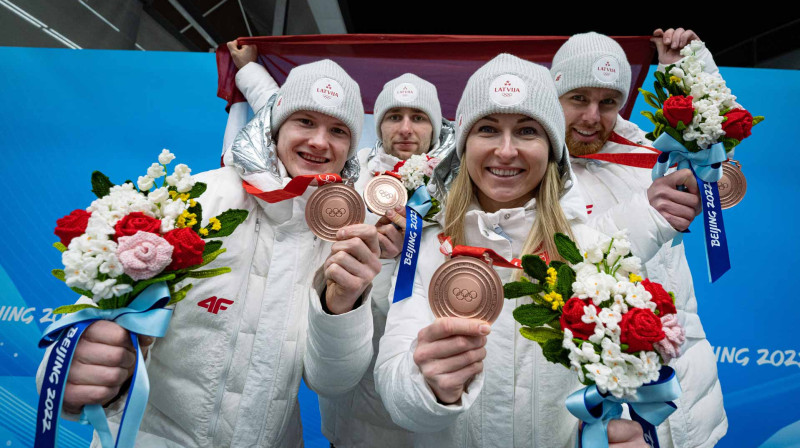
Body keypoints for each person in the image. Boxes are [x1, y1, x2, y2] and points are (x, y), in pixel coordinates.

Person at [37, 59, 382, 447]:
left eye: (337, 130)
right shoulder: (196, 200)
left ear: (350, 148)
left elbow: (332, 381)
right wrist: (72, 369)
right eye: (304, 121)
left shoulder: (346, 235)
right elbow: (97, 320)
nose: (320, 141)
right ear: (277, 126)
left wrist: (342, 306)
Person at [375, 53, 649, 447]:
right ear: (463, 146)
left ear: (553, 149)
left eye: (526, 131)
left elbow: (611, 382)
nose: (506, 151)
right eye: (487, 129)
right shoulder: (424, 248)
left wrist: (612, 432)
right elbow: (397, 394)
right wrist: (429, 386)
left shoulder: (593, 252)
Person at [227, 40, 452, 447]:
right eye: (394, 116)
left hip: (431, 390)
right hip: (352, 395)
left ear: (435, 127)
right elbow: (281, 110)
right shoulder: (344, 178)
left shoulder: (463, 183)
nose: (405, 128)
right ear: (375, 125)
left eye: (418, 117)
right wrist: (247, 69)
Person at [550, 29, 727, 446]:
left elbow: (709, 143)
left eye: (608, 102)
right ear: (551, 95)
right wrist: (648, 216)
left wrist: (682, 69)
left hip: (686, 400)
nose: (593, 116)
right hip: (601, 405)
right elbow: (563, 262)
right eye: (578, 98)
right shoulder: (532, 173)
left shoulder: (647, 157)